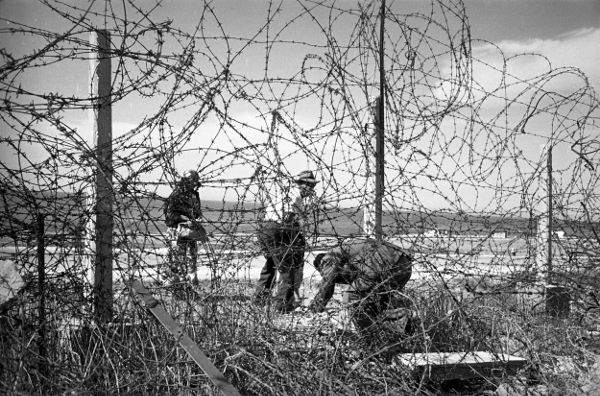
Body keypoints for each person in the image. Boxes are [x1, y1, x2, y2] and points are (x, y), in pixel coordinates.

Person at [308, 238, 413, 345]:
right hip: (404, 263)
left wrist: (314, 310)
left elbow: (328, 284)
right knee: (374, 306)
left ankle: (372, 344)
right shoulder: (349, 256)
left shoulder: (328, 258)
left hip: (382, 261)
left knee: (350, 297)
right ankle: (402, 320)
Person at [254, 170, 319, 313]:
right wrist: (298, 236)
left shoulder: (286, 192)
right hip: (276, 230)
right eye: (309, 186)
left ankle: (259, 299)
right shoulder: (295, 196)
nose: (311, 190)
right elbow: (288, 219)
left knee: (271, 263)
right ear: (302, 184)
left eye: (313, 186)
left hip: (265, 229)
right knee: (287, 268)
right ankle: (283, 306)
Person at [164, 170, 207, 285]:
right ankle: (172, 285)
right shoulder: (177, 194)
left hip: (190, 232)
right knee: (175, 261)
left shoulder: (194, 194)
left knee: (191, 260)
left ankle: (189, 285)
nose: (194, 184)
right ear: (186, 181)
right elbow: (170, 214)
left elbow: (197, 212)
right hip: (176, 232)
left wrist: (197, 220)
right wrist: (186, 220)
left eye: (195, 181)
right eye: (192, 181)